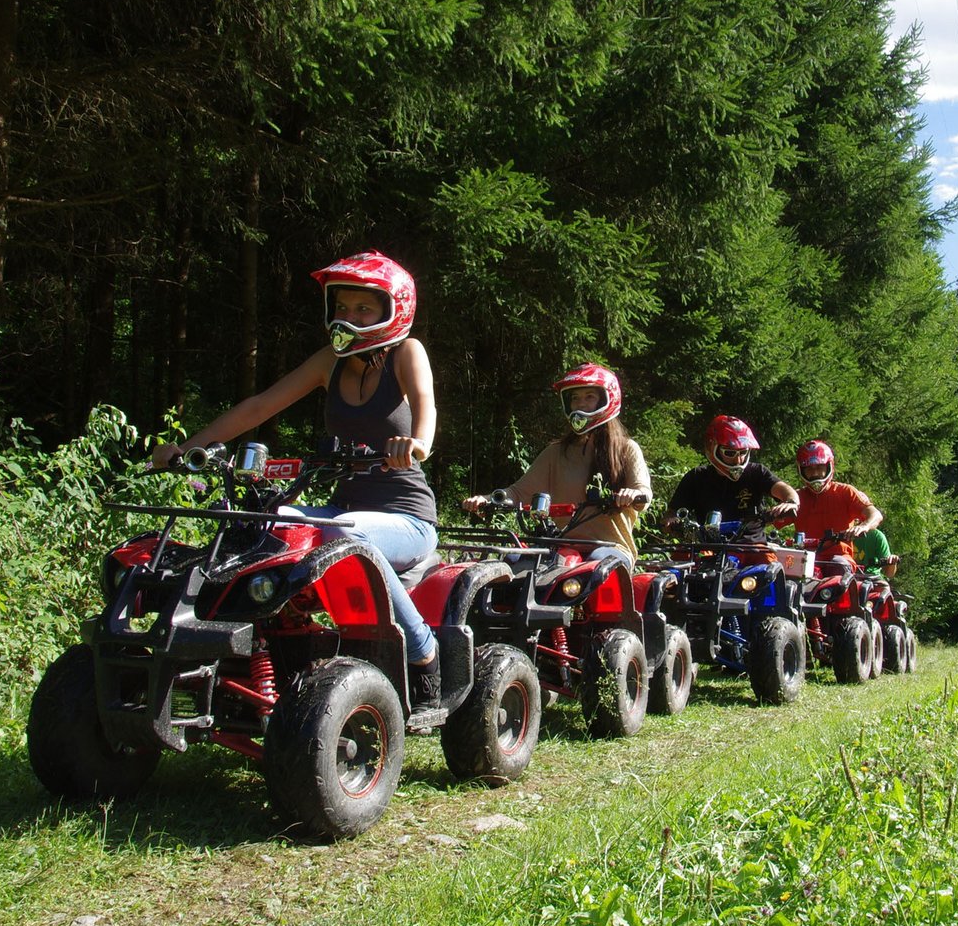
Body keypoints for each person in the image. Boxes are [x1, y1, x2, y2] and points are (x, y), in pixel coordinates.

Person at [151, 251, 443, 702]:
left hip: (408, 521)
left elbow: (425, 401)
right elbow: (260, 406)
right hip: (345, 515)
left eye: (363, 308)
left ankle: (424, 652)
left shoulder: (406, 352)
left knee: (336, 533)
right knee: (270, 522)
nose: (349, 317)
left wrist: (417, 443)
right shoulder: (331, 361)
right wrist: (191, 448)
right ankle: (280, 644)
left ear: (392, 309)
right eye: (342, 307)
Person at [462, 363, 652, 561]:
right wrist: (487, 500)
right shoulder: (556, 452)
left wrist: (633, 494)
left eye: (589, 396)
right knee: (512, 561)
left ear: (606, 399)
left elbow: (643, 492)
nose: (580, 404)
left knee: (596, 565)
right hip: (562, 548)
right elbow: (519, 492)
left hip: (612, 549)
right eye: (575, 398)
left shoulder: (626, 449)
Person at [659, 415, 798, 542]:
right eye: (730, 453)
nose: (738, 459)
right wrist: (671, 521)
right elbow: (672, 513)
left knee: (770, 568)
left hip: (752, 550)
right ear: (714, 449)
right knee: (676, 566)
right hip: (708, 550)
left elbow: (784, 489)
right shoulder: (697, 477)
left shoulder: (757, 472)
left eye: (743, 452)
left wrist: (791, 502)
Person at [790, 439, 883, 562]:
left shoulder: (845, 492)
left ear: (829, 466)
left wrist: (863, 527)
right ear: (801, 470)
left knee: (838, 567)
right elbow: (773, 519)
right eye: (809, 469)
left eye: (819, 467)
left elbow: (875, 515)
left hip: (839, 557)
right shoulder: (796, 497)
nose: (815, 473)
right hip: (804, 558)